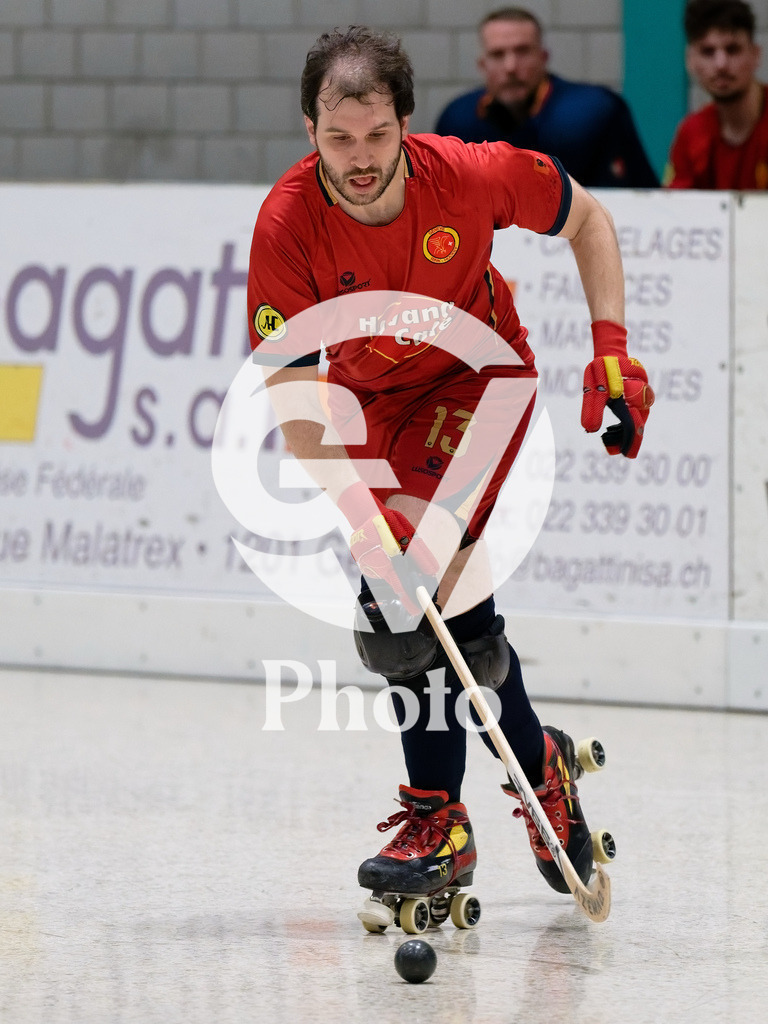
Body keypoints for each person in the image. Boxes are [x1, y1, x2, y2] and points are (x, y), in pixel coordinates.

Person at [246, 26, 653, 913]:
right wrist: (364, 515)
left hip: (482, 382)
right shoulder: (286, 225)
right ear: (309, 129)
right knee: (440, 612)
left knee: (403, 602)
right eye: (337, 137)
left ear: (406, 122)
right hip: (376, 405)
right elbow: (294, 404)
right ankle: (539, 762)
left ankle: (438, 819)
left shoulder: (468, 174)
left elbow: (588, 218)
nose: (359, 160)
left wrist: (612, 349)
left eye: (377, 135)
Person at [435, 6, 658, 188]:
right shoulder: (458, 120)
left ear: (543, 57)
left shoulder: (593, 113)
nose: (511, 67)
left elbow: (640, 196)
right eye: (497, 54)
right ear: (482, 65)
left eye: (522, 51)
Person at [665, 0, 768, 189]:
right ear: (690, 60)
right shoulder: (690, 134)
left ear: (755, 55)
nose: (721, 64)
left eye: (733, 50)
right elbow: (673, 204)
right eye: (708, 52)